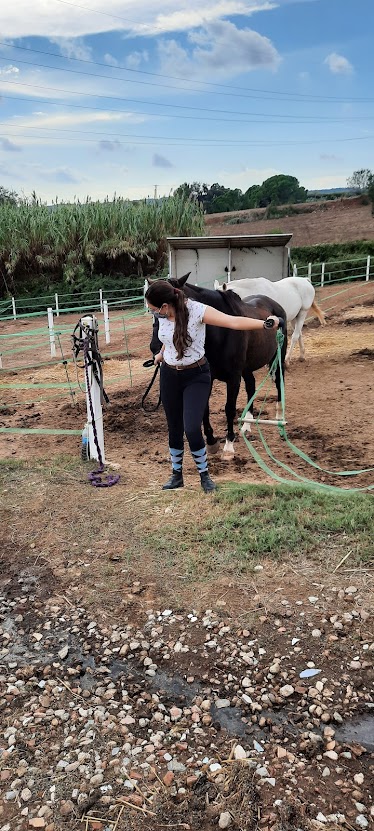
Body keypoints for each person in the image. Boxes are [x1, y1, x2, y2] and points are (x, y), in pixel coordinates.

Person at [145, 280, 281, 493]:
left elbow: (233, 322)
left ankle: (204, 476)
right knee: (174, 428)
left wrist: (264, 324)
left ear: (165, 306)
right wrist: (162, 354)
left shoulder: (197, 310)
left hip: (195, 375)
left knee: (191, 427)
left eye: (153, 309)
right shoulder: (163, 316)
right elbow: (167, 336)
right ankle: (176, 475)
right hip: (169, 374)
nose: (153, 313)